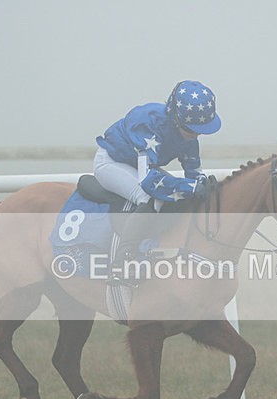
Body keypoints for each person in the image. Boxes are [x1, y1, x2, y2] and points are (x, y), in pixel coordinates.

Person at [93, 80, 222, 285]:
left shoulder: (188, 135)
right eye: (192, 129)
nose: (196, 134)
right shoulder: (148, 122)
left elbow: (194, 172)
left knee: (176, 195)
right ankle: (123, 263)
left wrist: (204, 184)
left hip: (142, 165)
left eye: (200, 130)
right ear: (176, 120)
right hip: (111, 162)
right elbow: (147, 181)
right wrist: (190, 187)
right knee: (149, 198)